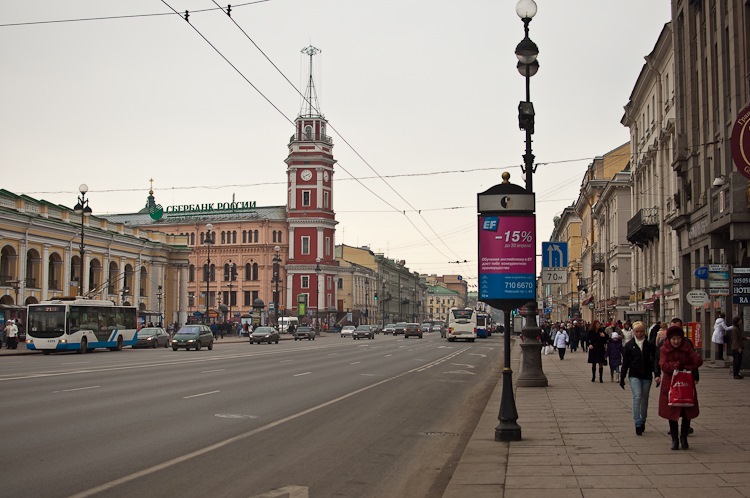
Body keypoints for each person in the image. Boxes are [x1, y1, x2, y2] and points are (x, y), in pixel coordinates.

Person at [659, 325, 703, 450]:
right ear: (669, 339)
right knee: (672, 413)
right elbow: (664, 365)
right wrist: (678, 364)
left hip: (686, 384)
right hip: (671, 385)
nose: (676, 341)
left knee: (687, 411)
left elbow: (698, 361)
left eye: (678, 338)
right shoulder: (664, 349)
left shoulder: (687, 347)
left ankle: (684, 437)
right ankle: (674, 439)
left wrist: (687, 366)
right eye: (673, 339)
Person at [620, 321, 661, 435]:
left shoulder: (649, 345)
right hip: (634, 375)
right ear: (633, 332)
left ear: (645, 332)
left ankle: (643, 420)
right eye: (637, 332)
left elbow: (655, 361)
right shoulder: (629, 346)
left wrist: (657, 374)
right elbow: (625, 363)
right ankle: (637, 422)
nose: (639, 334)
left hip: (647, 375)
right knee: (637, 396)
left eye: (641, 331)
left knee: (645, 399)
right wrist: (622, 377)